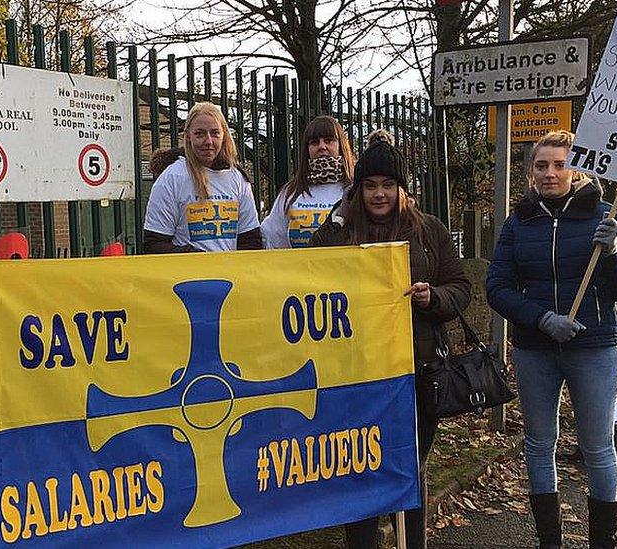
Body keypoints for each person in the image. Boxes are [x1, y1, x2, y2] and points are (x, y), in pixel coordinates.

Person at [486, 131, 617, 549]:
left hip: (595, 349)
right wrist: (541, 319)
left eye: (559, 164)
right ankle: (550, 542)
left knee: (597, 447)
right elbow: (497, 287)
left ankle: (602, 542)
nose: (550, 173)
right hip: (536, 349)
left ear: (576, 170)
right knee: (539, 444)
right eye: (542, 165)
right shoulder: (519, 221)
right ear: (530, 172)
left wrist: (612, 255)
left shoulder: (607, 217)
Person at [311, 138, 472, 549]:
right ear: (357, 190)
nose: (378, 194)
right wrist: (336, 223)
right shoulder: (338, 232)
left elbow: (460, 287)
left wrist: (432, 297)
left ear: (402, 188)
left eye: (387, 184)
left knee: (410, 469)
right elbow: (307, 276)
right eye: (369, 185)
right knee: (358, 470)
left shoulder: (429, 230)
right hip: (358, 374)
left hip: (417, 370)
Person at [143, 101, 262, 253]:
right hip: (188, 275)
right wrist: (196, 258)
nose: (208, 141)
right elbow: (155, 244)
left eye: (215, 133)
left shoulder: (237, 178)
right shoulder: (171, 179)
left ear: (224, 135)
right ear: (188, 137)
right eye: (199, 134)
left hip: (229, 275)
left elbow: (250, 239)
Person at [260, 115, 355, 248]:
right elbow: (271, 238)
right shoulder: (290, 192)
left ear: (341, 146)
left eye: (329, 140)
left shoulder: (354, 190)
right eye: (315, 142)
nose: (322, 146)